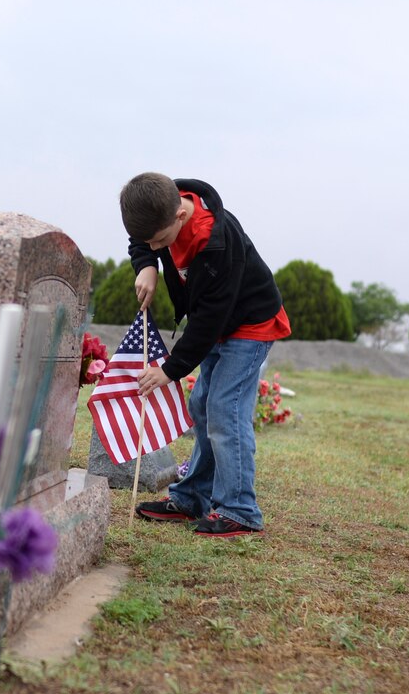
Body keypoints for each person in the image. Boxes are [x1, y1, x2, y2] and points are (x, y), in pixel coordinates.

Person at [118, 173, 291, 537]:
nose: (154, 245)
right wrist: (146, 264)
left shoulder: (217, 242)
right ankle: (192, 497)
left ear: (180, 216)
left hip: (250, 323)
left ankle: (240, 509)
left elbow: (210, 319)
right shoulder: (155, 206)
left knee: (224, 409)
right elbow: (142, 238)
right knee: (201, 406)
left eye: (160, 241)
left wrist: (171, 369)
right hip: (216, 320)